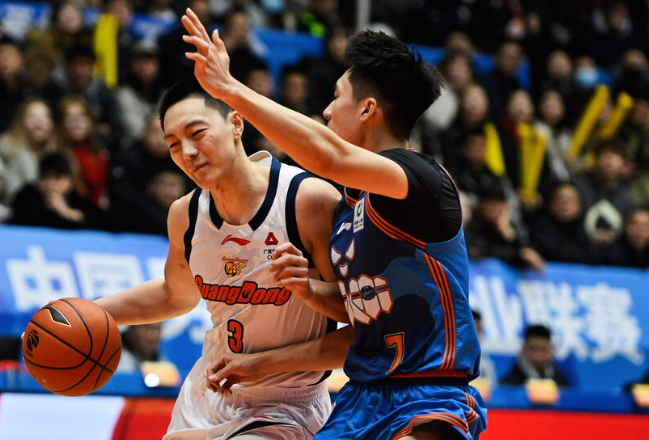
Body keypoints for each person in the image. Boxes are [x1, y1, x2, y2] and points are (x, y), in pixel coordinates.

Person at [181, 10, 486, 439]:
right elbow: (359, 322)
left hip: (429, 398)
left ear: (367, 109)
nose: (325, 110)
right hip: (362, 399)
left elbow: (329, 157)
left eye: (335, 97)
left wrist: (228, 89)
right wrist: (306, 292)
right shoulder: (348, 208)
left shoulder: (421, 180)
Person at [96, 79, 351, 439]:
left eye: (197, 133)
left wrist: (306, 293)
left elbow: (361, 321)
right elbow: (175, 295)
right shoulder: (185, 214)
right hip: (208, 393)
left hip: (286, 403)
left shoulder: (308, 200)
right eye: (173, 145)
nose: (187, 152)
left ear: (236, 124)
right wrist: (87, 312)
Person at [501, 324, 570, 387]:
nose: (538, 355)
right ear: (523, 349)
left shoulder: (560, 380)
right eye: (533, 349)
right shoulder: (510, 383)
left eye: (543, 349)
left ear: (551, 350)